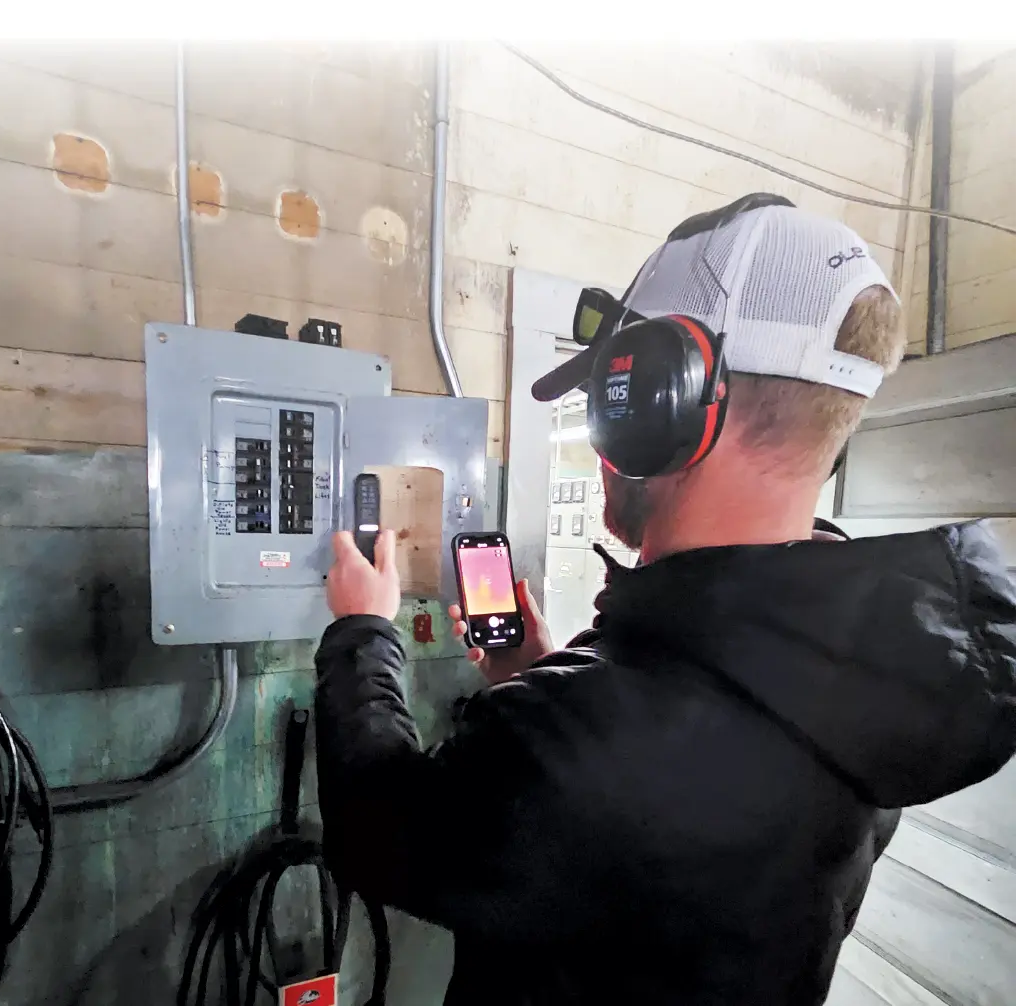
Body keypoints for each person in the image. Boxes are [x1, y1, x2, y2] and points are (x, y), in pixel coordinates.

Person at [313, 195, 1016, 1006]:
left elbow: (373, 827)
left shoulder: (582, 738)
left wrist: (363, 629)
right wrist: (540, 676)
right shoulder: (883, 677)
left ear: (657, 404)